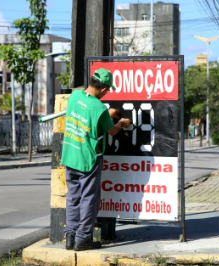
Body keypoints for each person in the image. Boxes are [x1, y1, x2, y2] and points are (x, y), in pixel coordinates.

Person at [61, 68, 130, 251]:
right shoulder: (99, 108)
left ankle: (71, 236)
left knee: (73, 197)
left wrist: (108, 114)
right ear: (104, 89)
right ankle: (83, 240)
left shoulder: (74, 97)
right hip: (88, 160)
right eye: (107, 90)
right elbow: (111, 131)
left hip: (70, 155)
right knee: (89, 200)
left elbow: (86, 116)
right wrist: (120, 123)